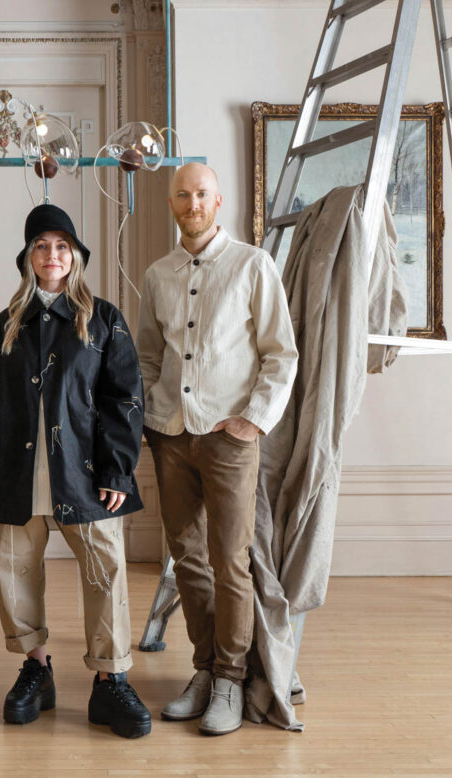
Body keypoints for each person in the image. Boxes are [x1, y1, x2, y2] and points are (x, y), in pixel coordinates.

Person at [0, 203, 151, 739]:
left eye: (62, 246)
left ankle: (110, 682)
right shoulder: (8, 323)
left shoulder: (104, 320)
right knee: (14, 574)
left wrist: (117, 471)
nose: (52, 255)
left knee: (105, 572)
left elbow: (124, 399)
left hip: (86, 475)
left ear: (76, 256)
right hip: (15, 474)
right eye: (41, 247)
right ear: (27, 258)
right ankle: (37, 670)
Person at [137, 162, 298, 736]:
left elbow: (281, 354)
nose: (192, 201)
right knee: (187, 558)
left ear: (218, 200)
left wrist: (253, 421)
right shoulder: (158, 275)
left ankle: (231, 678)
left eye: (201, 192)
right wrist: (147, 422)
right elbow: (149, 357)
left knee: (232, 560)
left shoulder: (253, 265)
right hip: (170, 435)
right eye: (182, 194)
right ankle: (204, 670)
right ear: (172, 202)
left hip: (230, 436)